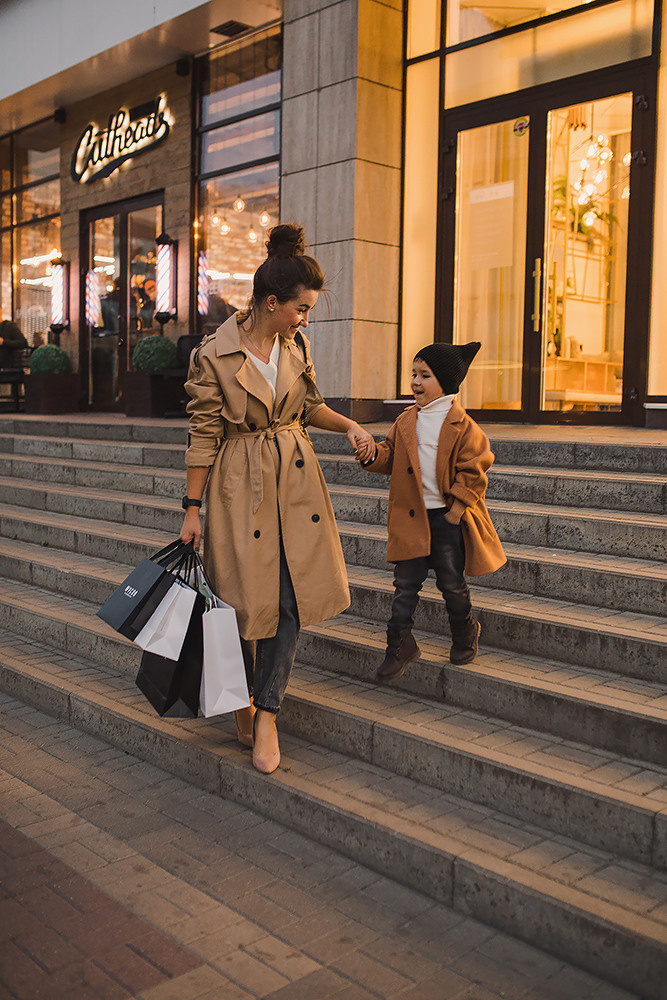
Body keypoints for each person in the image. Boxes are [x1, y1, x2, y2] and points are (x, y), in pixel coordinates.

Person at [180, 223, 375, 773]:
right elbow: (202, 434)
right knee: (242, 602)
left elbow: (308, 406)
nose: (305, 319)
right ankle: (241, 696)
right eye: (301, 309)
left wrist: (351, 426)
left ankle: (267, 710)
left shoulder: (296, 345)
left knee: (287, 600)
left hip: (294, 482)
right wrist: (191, 510)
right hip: (239, 486)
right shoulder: (213, 355)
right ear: (272, 302)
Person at [358, 342, 506, 682]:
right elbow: (390, 456)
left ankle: (465, 632)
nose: (415, 382)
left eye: (425, 375)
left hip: (445, 521)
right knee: (404, 586)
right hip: (411, 519)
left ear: (446, 381)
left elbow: (476, 468)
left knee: (452, 584)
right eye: (413, 374)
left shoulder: (463, 425)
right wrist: (370, 454)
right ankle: (398, 644)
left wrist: (455, 511)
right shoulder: (406, 420)